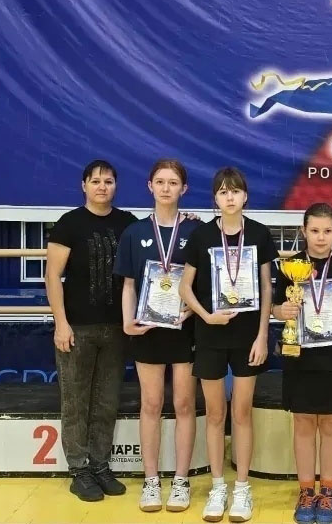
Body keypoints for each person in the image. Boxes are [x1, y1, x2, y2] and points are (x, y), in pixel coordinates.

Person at [179, 167, 278, 522]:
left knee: (242, 412)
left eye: (235, 191)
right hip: (210, 335)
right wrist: (206, 316)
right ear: (215, 199)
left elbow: (267, 288)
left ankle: (242, 487)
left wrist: (262, 335)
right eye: (223, 192)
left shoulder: (260, 234)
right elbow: (184, 287)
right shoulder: (202, 235)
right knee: (215, 414)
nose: (230, 197)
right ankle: (218, 486)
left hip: (248, 337)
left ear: (245, 196)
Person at [45, 160, 137, 502]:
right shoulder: (69, 223)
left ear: (116, 186)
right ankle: (78, 469)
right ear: (84, 185)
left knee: (106, 401)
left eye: (108, 181)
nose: (102, 186)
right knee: (75, 401)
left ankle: (100, 465)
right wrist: (61, 322)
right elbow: (52, 276)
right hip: (77, 329)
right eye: (95, 181)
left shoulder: (127, 223)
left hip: (116, 328)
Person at [114, 159, 201, 513]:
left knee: (184, 404)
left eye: (173, 182)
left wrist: (191, 310)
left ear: (184, 189)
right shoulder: (134, 233)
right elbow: (128, 284)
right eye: (160, 182)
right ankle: (151, 480)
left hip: (184, 328)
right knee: (150, 403)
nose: (166, 188)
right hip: (147, 329)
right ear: (150, 186)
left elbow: (203, 285)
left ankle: (180, 480)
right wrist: (127, 321)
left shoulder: (196, 230)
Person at [273, 203, 332, 524]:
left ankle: (327, 492)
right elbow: (275, 307)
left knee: (330, 425)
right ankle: (305, 491)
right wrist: (282, 311)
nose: (321, 237)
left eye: (327, 231)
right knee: (302, 423)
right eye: (314, 230)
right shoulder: (289, 267)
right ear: (304, 231)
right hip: (300, 355)